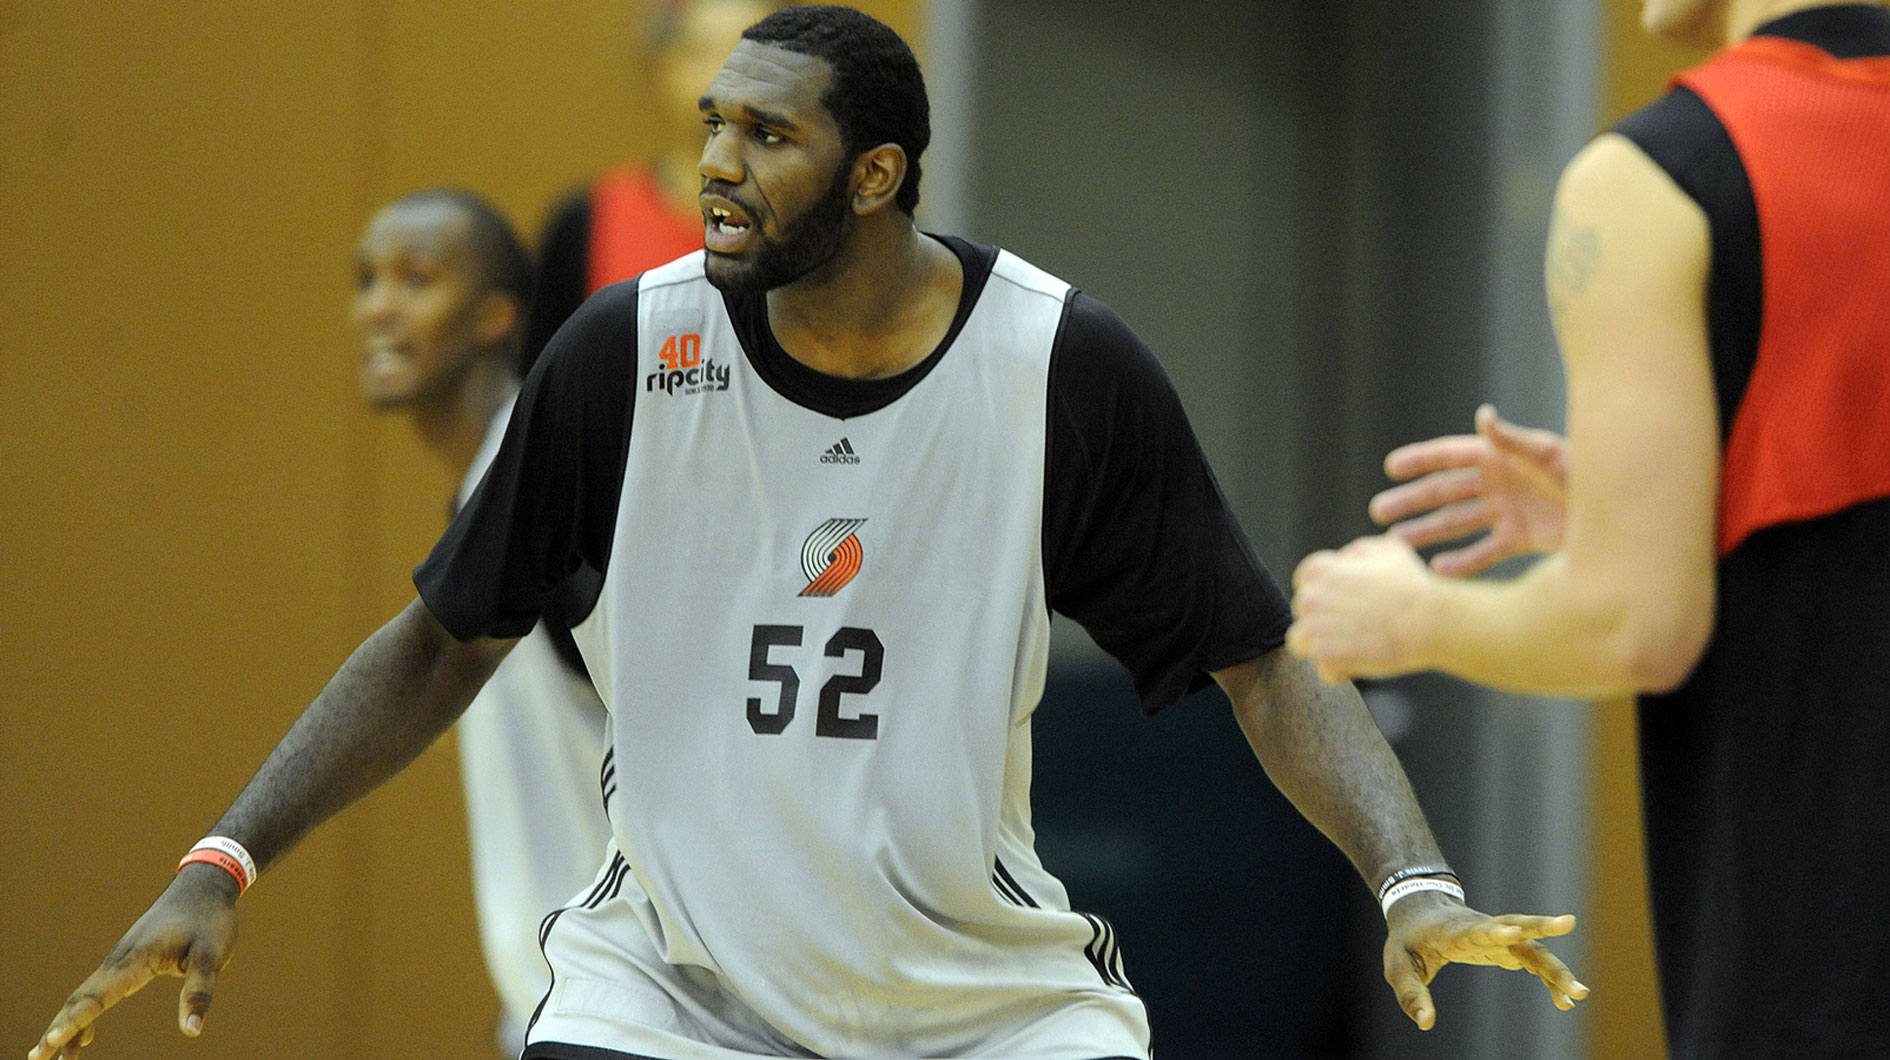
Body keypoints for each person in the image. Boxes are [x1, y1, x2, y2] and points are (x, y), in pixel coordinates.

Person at [29, 9, 1586, 1060]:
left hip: (977, 997)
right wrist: (224, 860)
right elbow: (442, 640)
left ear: (878, 173)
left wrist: (1411, 884)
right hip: (673, 994)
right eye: (712, 126)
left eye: (765, 137)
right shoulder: (623, 354)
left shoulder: (1058, 369)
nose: (714, 164)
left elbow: (1260, 666)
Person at [1286, 2, 1890, 1056]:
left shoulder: (1661, 176)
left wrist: (1410, 616)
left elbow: (1635, 626)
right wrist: (1655, 509)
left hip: (1825, 974)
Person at [353, 189, 614, 1056]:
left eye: (416, 278)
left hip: (643, 1013)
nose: (378, 305)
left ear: (497, 314)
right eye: (367, 279)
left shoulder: (548, 491)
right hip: (557, 1013)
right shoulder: (492, 487)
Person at [523, 0, 781, 374]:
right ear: (661, 69)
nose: (726, 79)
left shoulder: (824, 224)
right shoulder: (589, 220)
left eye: (752, 59)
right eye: (699, 54)